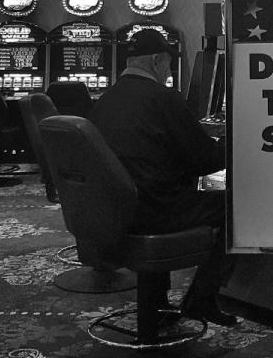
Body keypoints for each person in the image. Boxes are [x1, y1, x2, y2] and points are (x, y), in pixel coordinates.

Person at [89, 28, 236, 325]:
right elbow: (204, 160)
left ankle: (155, 300)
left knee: (167, 186)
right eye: (168, 63)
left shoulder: (106, 100)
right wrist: (236, 142)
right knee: (239, 208)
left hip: (112, 210)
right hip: (153, 211)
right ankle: (202, 299)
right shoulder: (162, 98)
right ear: (157, 60)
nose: (168, 70)